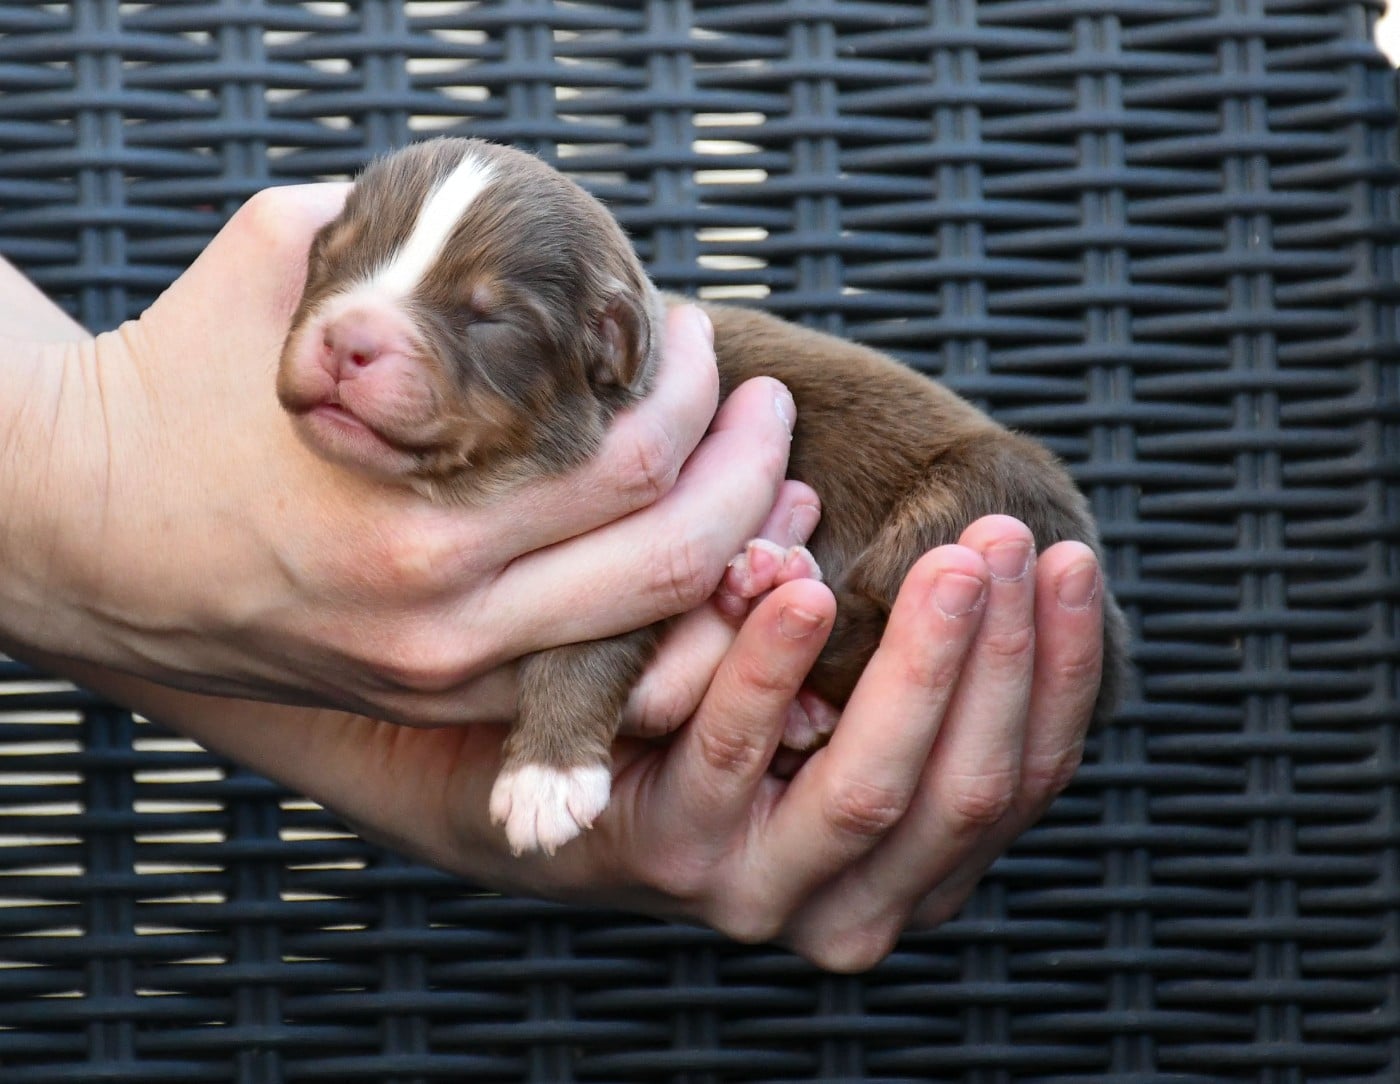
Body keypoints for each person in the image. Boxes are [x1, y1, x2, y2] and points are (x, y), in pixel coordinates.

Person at [0, 181, 1107, 972]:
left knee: (991, 517)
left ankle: (829, 649)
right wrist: (75, 476)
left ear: (605, 352)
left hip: (953, 516)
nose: (349, 330)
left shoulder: (605, 413)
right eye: (342, 267)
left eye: (485, 319)